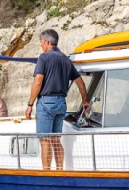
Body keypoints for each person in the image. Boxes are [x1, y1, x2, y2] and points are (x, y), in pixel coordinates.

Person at [25, 29, 89, 170]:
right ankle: (59, 170)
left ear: (47, 42)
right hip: (61, 103)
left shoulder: (44, 58)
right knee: (55, 139)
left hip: (46, 102)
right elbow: (81, 83)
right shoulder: (66, 60)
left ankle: (46, 172)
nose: (40, 45)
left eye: (41, 42)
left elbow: (38, 82)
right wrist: (85, 101)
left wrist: (30, 104)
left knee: (45, 140)